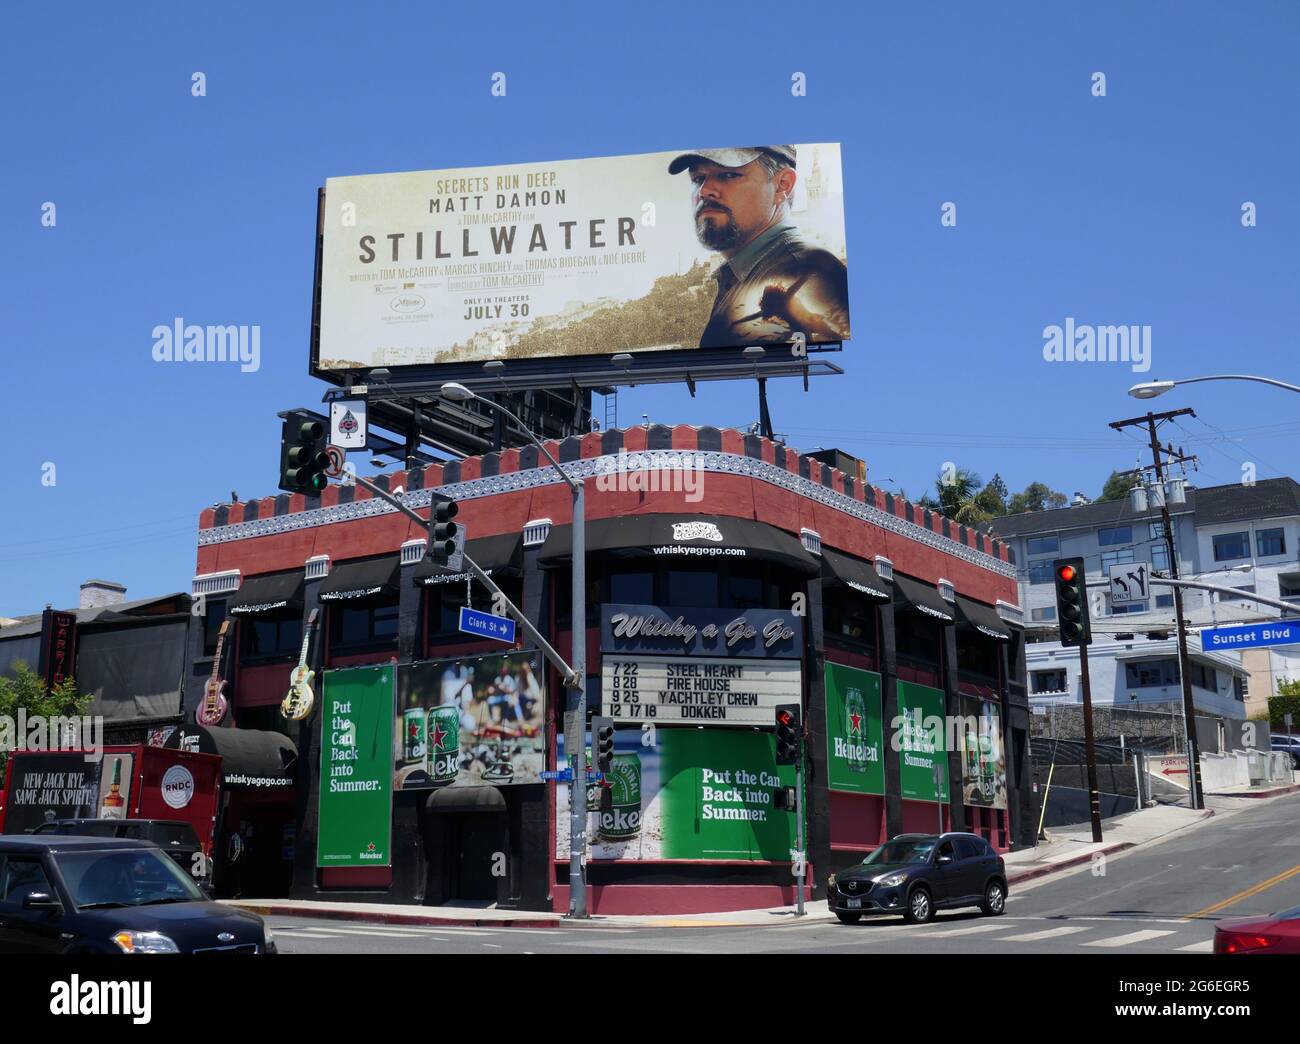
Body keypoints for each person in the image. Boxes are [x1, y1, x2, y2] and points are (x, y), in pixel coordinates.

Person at [667, 145, 849, 348]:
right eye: (698, 179)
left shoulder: (807, 270)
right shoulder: (746, 272)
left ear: (783, 185)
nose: (704, 191)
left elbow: (854, 359)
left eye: (728, 175)